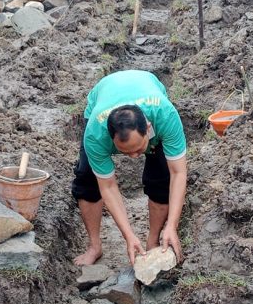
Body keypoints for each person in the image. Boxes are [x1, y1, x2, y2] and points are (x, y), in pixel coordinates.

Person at [70, 70, 188, 267]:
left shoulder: (165, 116)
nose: (134, 156)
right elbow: (107, 186)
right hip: (104, 93)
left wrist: (172, 225)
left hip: (147, 85)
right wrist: (129, 236)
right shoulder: (95, 135)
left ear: (148, 128)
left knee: (161, 180)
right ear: (111, 138)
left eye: (139, 148)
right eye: (125, 152)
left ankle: (153, 241)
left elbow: (179, 172)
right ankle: (94, 246)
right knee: (87, 181)